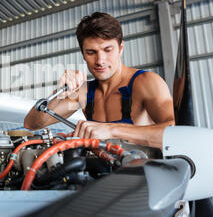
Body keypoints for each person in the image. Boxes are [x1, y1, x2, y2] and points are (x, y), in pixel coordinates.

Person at [24, 12, 175, 149]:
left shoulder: (145, 82)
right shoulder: (83, 93)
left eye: (108, 50)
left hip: (143, 175)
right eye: (91, 52)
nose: (100, 61)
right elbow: (32, 123)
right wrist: (60, 94)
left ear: (121, 48)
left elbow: (176, 132)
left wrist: (112, 130)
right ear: (83, 54)